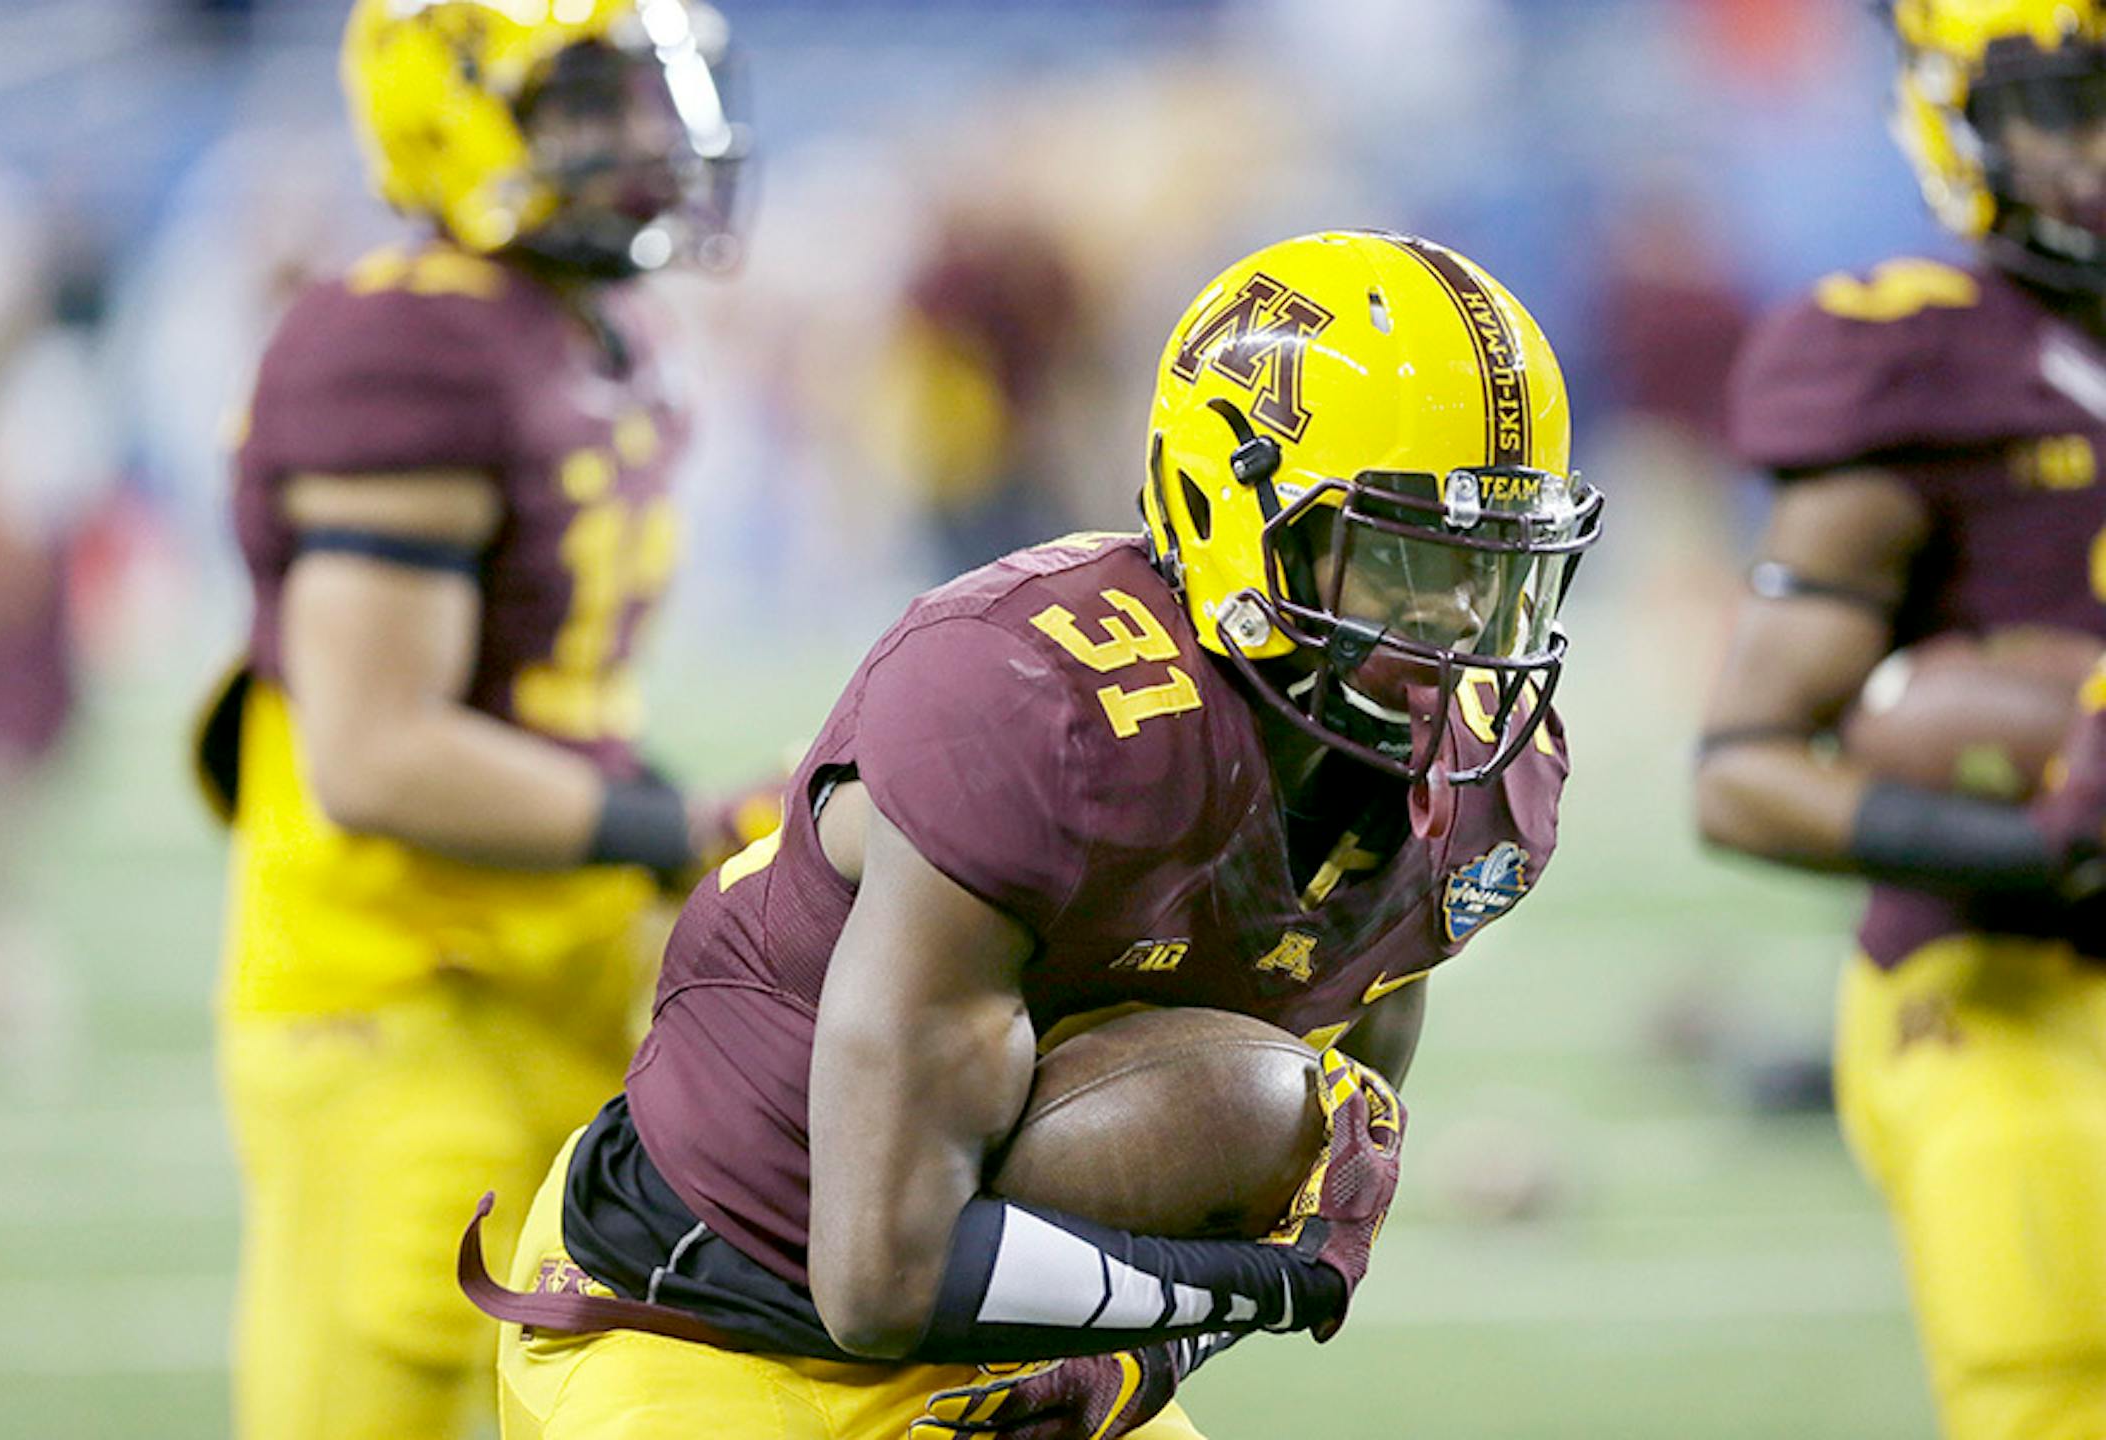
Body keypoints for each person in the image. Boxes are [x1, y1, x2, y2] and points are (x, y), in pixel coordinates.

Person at [460, 229, 1603, 1440]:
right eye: (1402, 558)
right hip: (703, 1311)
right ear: (1237, 505)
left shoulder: (1486, 790)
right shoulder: (1039, 705)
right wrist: (1260, 1290)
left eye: (1495, 568)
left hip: (994, 1338)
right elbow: (881, 1276)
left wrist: (1133, 1366)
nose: (1461, 624)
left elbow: (1300, 1186)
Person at [193, 2, 751, 1436]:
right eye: (589, 101)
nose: (645, 137)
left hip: (555, 957)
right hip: (400, 981)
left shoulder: (595, 322)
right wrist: (676, 830)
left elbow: (546, 698)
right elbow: (376, 753)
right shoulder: (405, 344)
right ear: (447, 107)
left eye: (653, 94)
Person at [1696, 3, 2106, 1434]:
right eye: (2075, 105)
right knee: (2050, 1371)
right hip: (2011, 993)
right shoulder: (1917, 360)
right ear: (1959, 120)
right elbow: (1742, 772)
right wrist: (2044, 844)